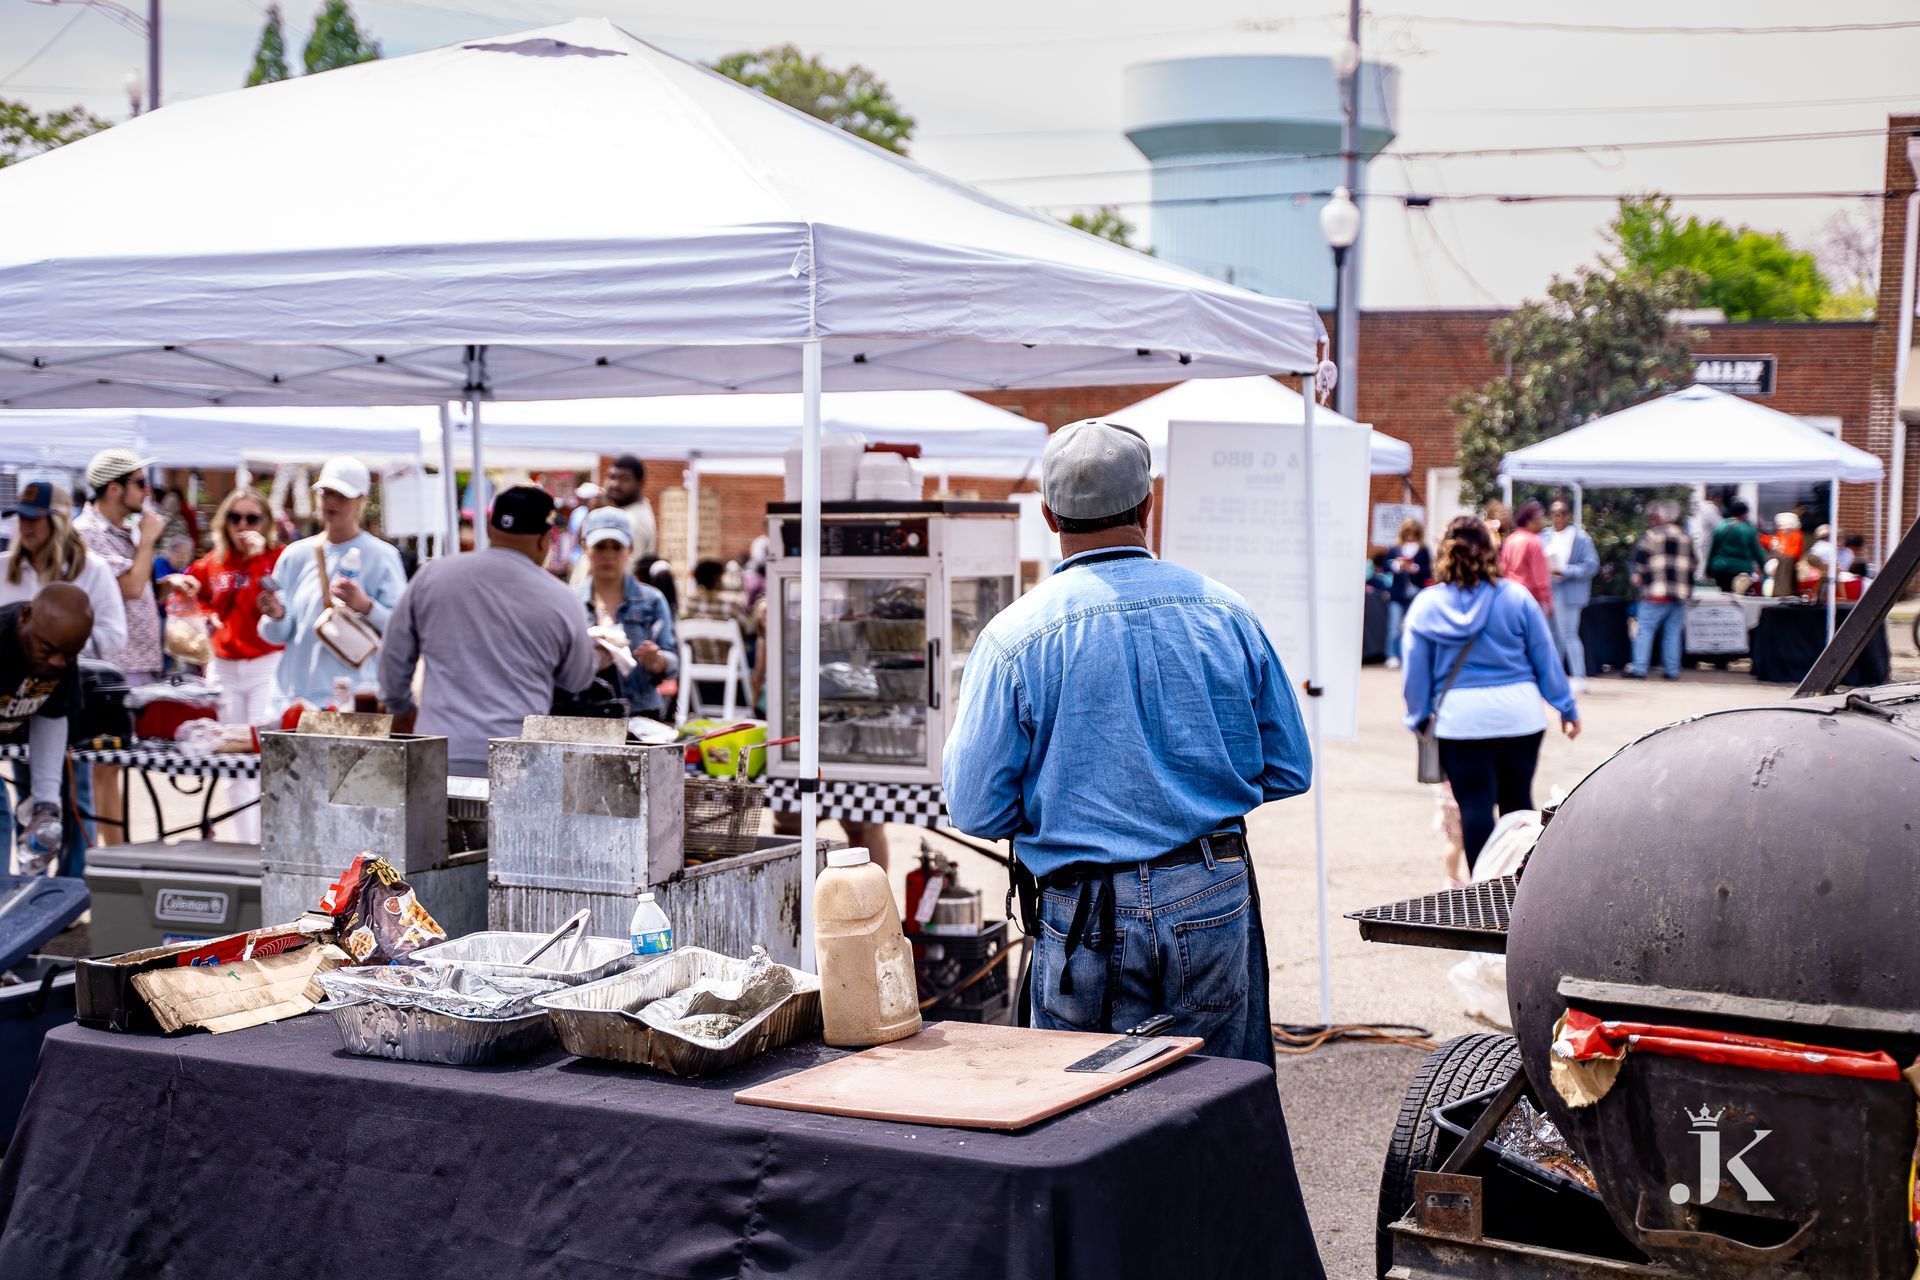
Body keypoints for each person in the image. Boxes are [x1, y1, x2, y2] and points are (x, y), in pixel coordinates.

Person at [943, 420, 1312, 1066]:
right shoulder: (1225, 613)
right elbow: (1289, 767)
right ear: (1148, 503)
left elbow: (975, 807)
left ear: (1048, 514)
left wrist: (1063, 806)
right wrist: (1197, 783)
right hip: (1207, 884)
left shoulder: (1014, 638)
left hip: (1079, 903)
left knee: (1079, 1116)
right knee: (1211, 1098)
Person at [378, 486, 602, 776]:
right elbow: (577, 678)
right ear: (546, 540)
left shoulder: (433, 577)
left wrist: (402, 708)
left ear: (489, 529)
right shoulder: (562, 599)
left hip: (438, 750)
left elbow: (393, 659)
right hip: (518, 759)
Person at [1402, 516, 1578, 871]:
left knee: (1475, 806)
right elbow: (1545, 657)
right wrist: (1566, 707)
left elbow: (1415, 672)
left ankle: (1483, 895)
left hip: (1460, 720)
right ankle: (1519, 890)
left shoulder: (1427, 604)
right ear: (1491, 551)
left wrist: (1418, 717)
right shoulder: (1516, 597)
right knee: (1518, 806)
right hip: (1520, 716)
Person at [0, 483, 127, 875]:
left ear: (57, 521)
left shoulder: (91, 569)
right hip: (12, 694)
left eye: (36, 517)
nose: (27, 525)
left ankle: (66, 891)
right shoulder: (5, 565)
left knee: (62, 800)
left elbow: (115, 636)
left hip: (43, 699)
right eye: (22, 516)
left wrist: (63, 644)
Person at [168, 487, 283, 842]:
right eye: (235, 517)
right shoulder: (211, 563)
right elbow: (190, 601)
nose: (243, 525)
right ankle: (248, 845)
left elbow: (282, 601)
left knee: (265, 755)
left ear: (266, 523)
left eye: (252, 518)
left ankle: (268, 843)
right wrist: (196, 606)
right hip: (224, 665)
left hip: (266, 663)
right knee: (233, 760)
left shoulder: (277, 557)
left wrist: (260, 559)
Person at [258, 457, 406, 713]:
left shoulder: (382, 555)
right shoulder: (295, 554)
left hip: (355, 699)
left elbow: (401, 630)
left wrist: (366, 605)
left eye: (342, 495)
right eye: (326, 492)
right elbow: (274, 635)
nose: (331, 502)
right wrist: (276, 615)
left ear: (361, 499)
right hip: (294, 698)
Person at [74, 448, 169, 846]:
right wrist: (148, 539)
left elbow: (130, 586)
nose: (148, 492)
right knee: (106, 766)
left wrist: (165, 586)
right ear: (115, 489)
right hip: (108, 668)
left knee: (116, 766)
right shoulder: (89, 533)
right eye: (140, 483)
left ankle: (118, 854)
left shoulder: (117, 531)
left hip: (128, 664)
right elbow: (129, 587)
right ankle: (113, 858)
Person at [0, 585, 94, 875]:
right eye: (48, 650)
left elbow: (50, 718)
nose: (56, 662)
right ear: (25, 617)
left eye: (67, 656)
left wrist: (46, 803)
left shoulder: (59, 645)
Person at [576, 507, 676, 722]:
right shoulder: (571, 601)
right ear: (585, 547)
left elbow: (673, 659)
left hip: (640, 713)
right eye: (600, 546)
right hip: (584, 713)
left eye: (617, 547)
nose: (608, 555)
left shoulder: (652, 600)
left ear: (630, 549)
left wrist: (657, 661)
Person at [1627, 499, 1697, 680]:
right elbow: (1694, 564)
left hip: (1654, 593)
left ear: (1658, 517)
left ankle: (1639, 668)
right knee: (1673, 633)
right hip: (1679, 595)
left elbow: (1638, 564)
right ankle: (1672, 671)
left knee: (1645, 630)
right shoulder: (1685, 537)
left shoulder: (1651, 536)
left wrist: (1637, 577)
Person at [1541, 499, 1598, 693]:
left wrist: (1566, 571)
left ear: (1568, 515)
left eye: (1562, 513)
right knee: (1553, 636)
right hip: (1550, 589)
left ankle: (1578, 676)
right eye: (1554, 513)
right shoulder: (1545, 535)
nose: (1557, 517)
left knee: (1568, 634)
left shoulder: (1580, 537)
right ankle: (1556, 676)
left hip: (1569, 590)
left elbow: (1591, 565)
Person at [569, 455, 655, 583]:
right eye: (611, 477)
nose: (614, 484)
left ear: (640, 482)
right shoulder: (624, 513)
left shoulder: (632, 521)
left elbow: (618, 578)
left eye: (624, 479)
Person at [1384, 518, 1430, 672]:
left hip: (1415, 592)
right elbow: (1385, 565)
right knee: (1394, 626)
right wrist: (1397, 565)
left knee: (1410, 625)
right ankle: (1392, 655)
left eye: (1414, 533)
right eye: (1408, 532)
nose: (1411, 535)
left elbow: (1428, 571)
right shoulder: (1395, 548)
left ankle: (1407, 655)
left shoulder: (1423, 549)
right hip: (1398, 592)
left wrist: (1414, 568)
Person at [1499, 501, 1553, 616]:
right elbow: (1540, 576)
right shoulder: (1534, 541)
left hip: (1510, 594)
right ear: (1530, 522)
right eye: (1539, 518)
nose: (1543, 521)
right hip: (1530, 597)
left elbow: (1503, 568)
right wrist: (1548, 601)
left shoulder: (1510, 539)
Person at [1706, 500, 1767, 593]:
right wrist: (1764, 568)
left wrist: (1708, 569)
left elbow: (1713, 549)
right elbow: (1757, 552)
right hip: (1741, 570)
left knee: (1724, 594)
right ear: (1744, 513)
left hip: (1721, 568)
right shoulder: (1748, 529)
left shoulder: (1720, 526)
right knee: (1738, 596)